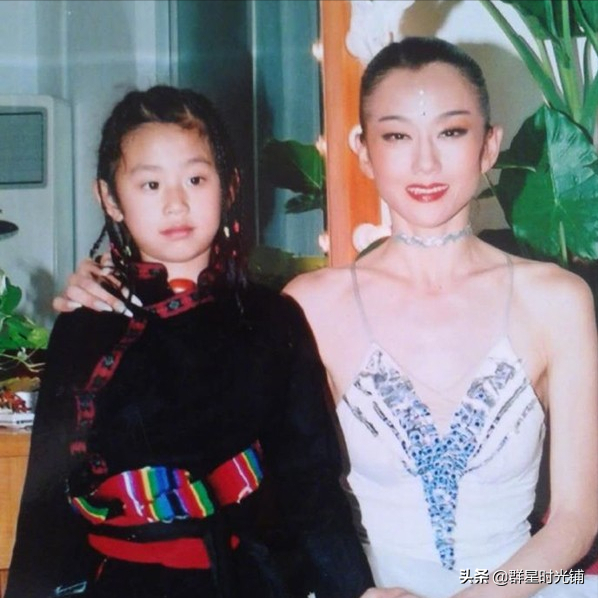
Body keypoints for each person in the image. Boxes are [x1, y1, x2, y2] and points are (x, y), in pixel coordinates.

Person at [52, 38, 598, 597]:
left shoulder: (557, 300)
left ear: (489, 144)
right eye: (397, 136)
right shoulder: (306, 306)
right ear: (362, 150)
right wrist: (114, 293)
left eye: (452, 132)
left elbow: (576, 522)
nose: (425, 162)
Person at [6, 85, 385, 598]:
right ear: (110, 199)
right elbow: (47, 499)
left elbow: (310, 483)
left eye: (195, 178)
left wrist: (356, 591)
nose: (176, 203)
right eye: (150, 184)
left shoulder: (272, 320)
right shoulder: (85, 323)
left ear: (229, 186)